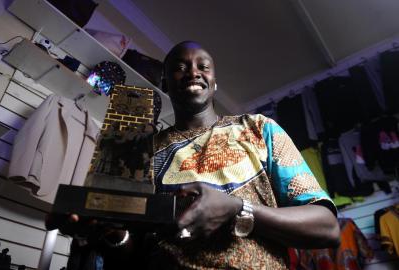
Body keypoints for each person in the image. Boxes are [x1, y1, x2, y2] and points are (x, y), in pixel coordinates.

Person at [47, 41, 340, 269]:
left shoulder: (258, 129)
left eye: (204, 66)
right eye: (179, 66)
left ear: (214, 83)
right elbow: (135, 257)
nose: (193, 71)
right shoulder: (139, 152)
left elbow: (326, 227)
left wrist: (239, 209)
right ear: (164, 83)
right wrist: (112, 235)